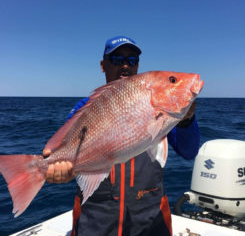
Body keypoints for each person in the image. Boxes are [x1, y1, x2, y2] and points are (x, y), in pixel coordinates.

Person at [43, 36, 200, 236]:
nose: (126, 66)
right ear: (103, 65)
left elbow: (189, 151)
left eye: (132, 60)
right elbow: (60, 152)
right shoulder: (84, 109)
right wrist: (59, 169)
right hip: (97, 221)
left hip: (150, 220)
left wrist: (187, 120)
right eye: (118, 59)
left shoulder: (164, 111)